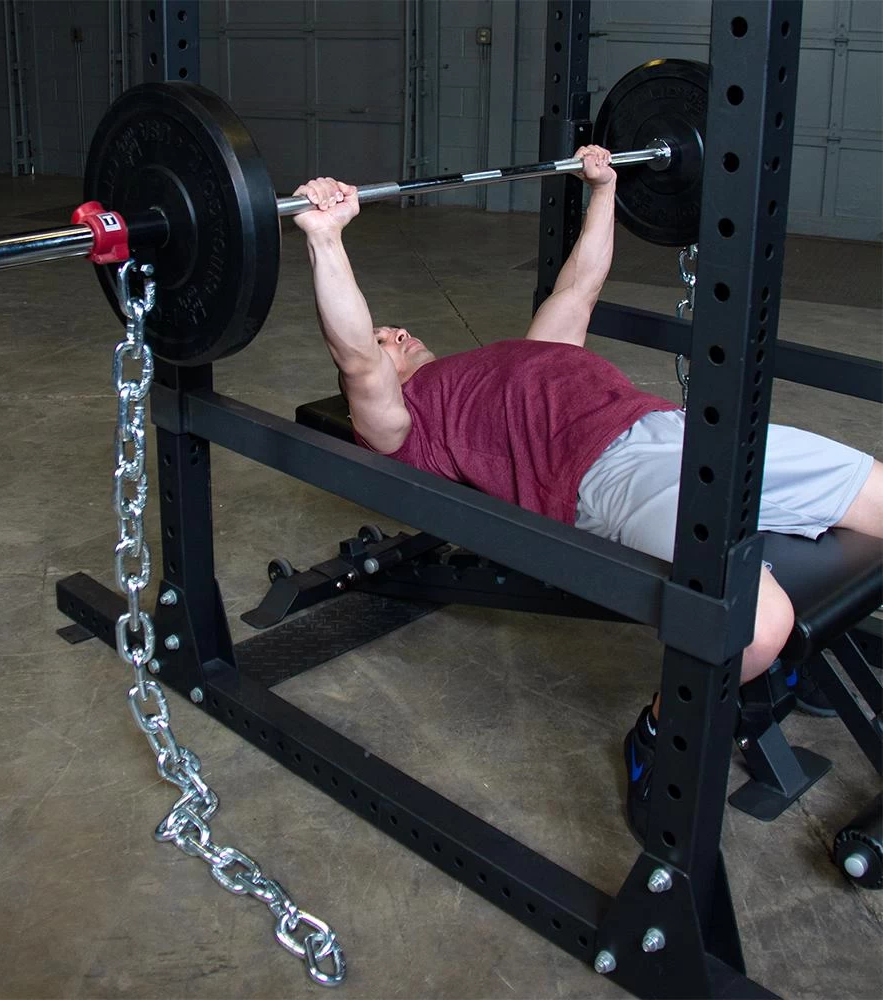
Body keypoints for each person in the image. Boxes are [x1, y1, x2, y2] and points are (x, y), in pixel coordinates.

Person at [291, 147, 883, 842]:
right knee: (756, 623)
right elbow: (357, 360)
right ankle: (659, 735)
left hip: (675, 429)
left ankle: (796, 665)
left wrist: (604, 188)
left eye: (393, 328)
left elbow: (579, 289)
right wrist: (326, 238)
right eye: (387, 337)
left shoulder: (515, 356)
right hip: (607, 477)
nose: (396, 332)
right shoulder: (409, 425)